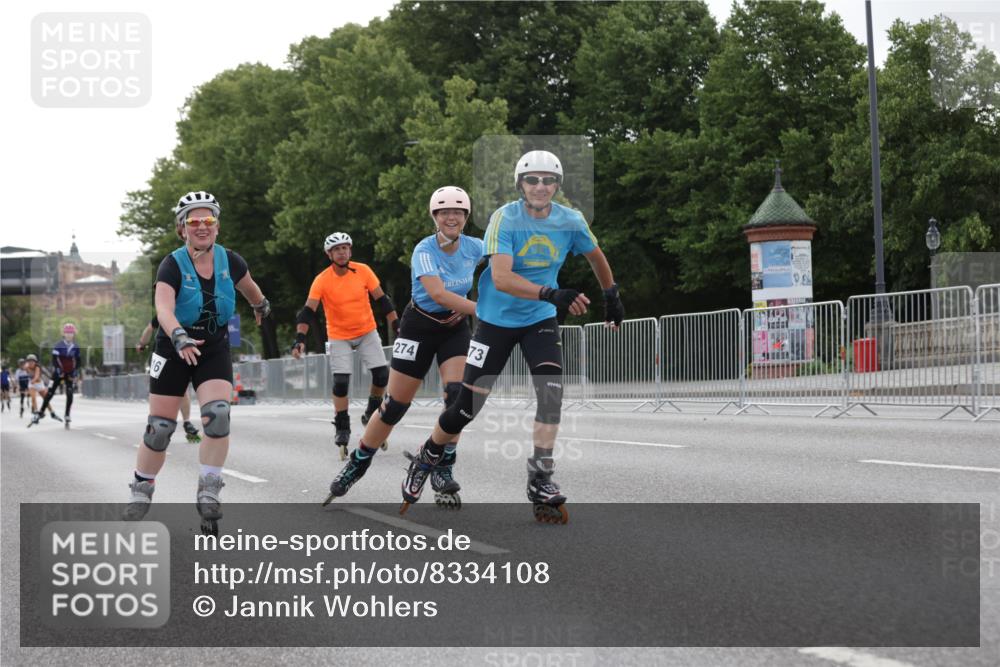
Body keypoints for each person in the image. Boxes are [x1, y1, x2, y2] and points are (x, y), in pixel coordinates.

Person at [399, 151, 625, 523]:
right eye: (532, 180)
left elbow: (595, 256)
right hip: (495, 320)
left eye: (548, 180)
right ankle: (427, 456)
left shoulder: (571, 220)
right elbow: (501, 277)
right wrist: (551, 293)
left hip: (539, 319)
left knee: (551, 392)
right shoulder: (504, 218)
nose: (540, 186)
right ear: (521, 185)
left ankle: (540, 478)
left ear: (557, 185)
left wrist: (611, 294)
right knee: (465, 409)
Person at [324, 186, 484, 507]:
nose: (451, 217)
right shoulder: (423, 250)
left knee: (457, 398)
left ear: (466, 217)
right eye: (443, 212)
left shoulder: (476, 247)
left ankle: (441, 464)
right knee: (395, 405)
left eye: (458, 212)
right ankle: (358, 461)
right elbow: (438, 294)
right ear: (434, 217)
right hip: (418, 328)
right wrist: (486, 311)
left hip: (454, 328)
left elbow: (510, 263)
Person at [123, 191, 270, 534]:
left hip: (212, 347)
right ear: (182, 228)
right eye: (194, 221)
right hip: (173, 346)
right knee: (159, 428)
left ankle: (209, 488)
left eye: (208, 220)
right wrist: (177, 335)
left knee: (218, 415)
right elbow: (163, 308)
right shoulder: (171, 264)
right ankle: (142, 487)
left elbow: (250, 288)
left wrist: (261, 305)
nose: (202, 227)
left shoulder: (231, 261)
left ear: (217, 226)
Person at [292, 232, 400, 460]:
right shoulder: (322, 279)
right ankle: (342, 426)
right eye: (337, 249)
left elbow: (383, 300)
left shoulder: (363, 270)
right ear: (329, 254)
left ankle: (372, 411)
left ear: (350, 251)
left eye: (345, 248)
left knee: (382, 375)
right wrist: (300, 339)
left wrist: (397, 324)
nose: (342, 252)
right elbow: (307, 312)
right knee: (341, 383)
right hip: (339, 335)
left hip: (366, 331)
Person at [137, 316, 201, 443]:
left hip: (163, 353)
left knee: (158, 390)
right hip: (186, 349)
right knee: (182, 390)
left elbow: (149, 329)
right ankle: (186, 421)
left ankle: (157, 425)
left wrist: (142, 344)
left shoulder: (165, 310)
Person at [33, 323, 82, 428]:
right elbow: (54, 359)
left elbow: (78, 361)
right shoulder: (58, 345)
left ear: (74, 334)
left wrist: (76, 371)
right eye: (67, 333)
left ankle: (67, 415)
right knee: (49, 393)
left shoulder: (76, 347)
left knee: (70, 394)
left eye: (71, 333)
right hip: (58, 373)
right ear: (63, 334)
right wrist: (58, 369)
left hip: (69, 373)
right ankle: (41, 412)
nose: (69, 335)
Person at [24, 354, 61, 424]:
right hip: (32, 385)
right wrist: (26, 369)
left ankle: (52, 413)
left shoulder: (37, 367)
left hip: (39, 384)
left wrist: (33, 380)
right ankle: (35, 413)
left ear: (35, 362)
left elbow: (37, 376)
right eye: (29, 361)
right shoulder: (26, 366)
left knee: (46, 399)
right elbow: (25, 370)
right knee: (33, 398)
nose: (31, 363)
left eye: (32, 361)